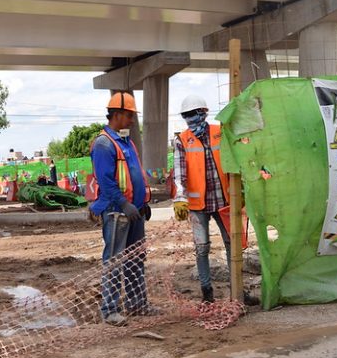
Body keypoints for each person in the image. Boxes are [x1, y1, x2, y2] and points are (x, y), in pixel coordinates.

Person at [172, 94, 258, 306]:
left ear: (204, 113)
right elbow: (179, 172)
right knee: (202, 248)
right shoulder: (182, 140)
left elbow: (235, 162)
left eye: (194, 114)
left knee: (232, 244)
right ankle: (207, 293)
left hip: (224, 201)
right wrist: (180, 198)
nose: (191, 119)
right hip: (197, 205)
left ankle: (238, 290)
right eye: (187, 115)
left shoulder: (220, 133)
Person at [89, 91, 154, 326]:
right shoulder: (104, 144)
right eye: (128, 115)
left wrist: (141, 202)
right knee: (115, 260)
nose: (132, 120)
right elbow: (106, 182)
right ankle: (109, 309)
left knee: (136, 259)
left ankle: (137, 304)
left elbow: (135, 174)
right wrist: (124, 203)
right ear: (116, 115)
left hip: (134, 211)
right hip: (117, 212)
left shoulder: (126, 142)